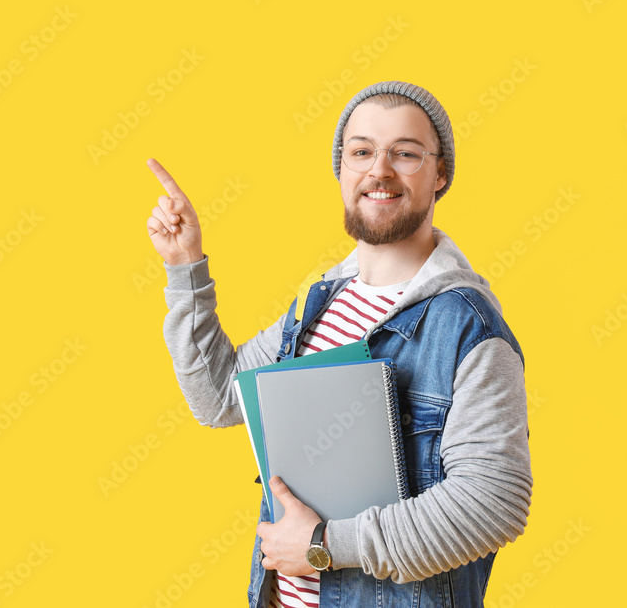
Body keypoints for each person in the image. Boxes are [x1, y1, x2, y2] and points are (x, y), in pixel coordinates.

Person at [146, 81, 532, 608]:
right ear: (343, 171)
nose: (380, 169)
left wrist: (325, 547)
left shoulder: (467, 328)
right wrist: (185, 266)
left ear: (440, 174)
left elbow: (494, 502)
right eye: (362, 151)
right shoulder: (319, 305)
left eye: (406, 153)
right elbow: (219, 399)